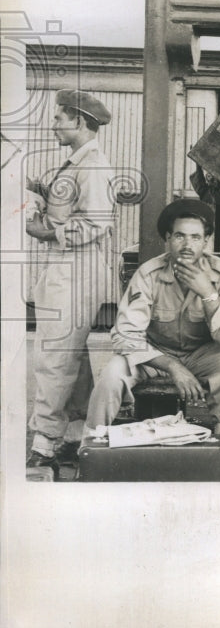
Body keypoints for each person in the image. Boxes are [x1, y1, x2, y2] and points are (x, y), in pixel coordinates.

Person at [83, 199, 220, 475]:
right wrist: (173, 366)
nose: (188, 244)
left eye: (196, 237)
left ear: (206, 241)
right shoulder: (148, 274)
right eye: (180, 236)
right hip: (153, 355)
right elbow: (125, 335)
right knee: (112, 373)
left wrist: (208, 294)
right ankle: (89, 449)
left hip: (200, 356)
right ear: (167, 240)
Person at [26, 89, 116, 474]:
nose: (54, 124)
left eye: (60, 118)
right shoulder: (79, 162)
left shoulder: (92, 165)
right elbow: (77, 208)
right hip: (69, 267)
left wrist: (45, 232)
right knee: (72, 359)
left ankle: (44, 444)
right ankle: (75, 438)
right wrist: (44, 193)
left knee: (55, 358)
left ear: (80, 121)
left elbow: (96, 221)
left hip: (76, 270)